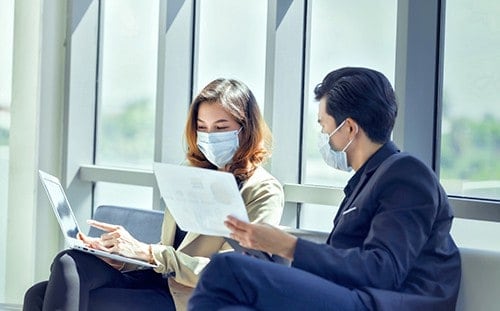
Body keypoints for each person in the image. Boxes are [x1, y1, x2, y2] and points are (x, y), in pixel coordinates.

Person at [188, 67, 462, 311]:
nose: (322, 135)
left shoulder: (406, 174)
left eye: (323, 125)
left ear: (350, 128)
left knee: (226, 268)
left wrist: (288, 246)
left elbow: (383, 270)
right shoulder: (366, 180)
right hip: (352, 295)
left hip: (379, 302)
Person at [23, 78, 284, 311]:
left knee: (69, 298)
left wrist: (147, 252)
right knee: (62, 267)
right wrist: (121, 255)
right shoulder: (191, 175)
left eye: (220, 127)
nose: (208, 136)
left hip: (192, 297)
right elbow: (169, 251)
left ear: (245, 128)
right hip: (158, 282)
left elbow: (230, 274)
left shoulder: (262, 190)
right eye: (202, 127)